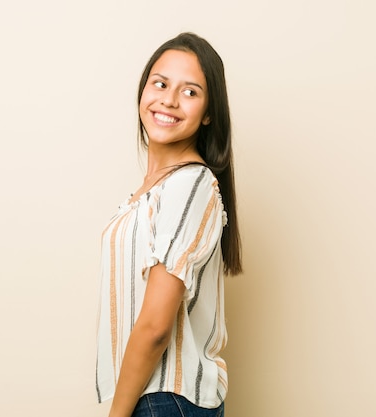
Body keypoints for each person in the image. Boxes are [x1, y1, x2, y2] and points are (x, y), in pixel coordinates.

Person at [96, 32, 242, 417]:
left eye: (190, 92)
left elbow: (156, 326)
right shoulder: (152, 191)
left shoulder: (189, 185)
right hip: (152, 398)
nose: (169, 100)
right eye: (160, 84)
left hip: (167, 401)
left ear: (209, 112)